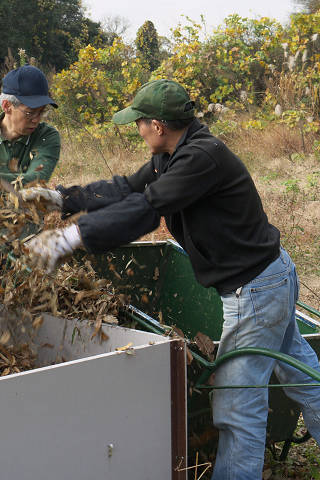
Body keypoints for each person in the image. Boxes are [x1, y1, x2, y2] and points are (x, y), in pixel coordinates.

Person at [21, 79, 320, 479]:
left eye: (140, 123)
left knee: (237, 406)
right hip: (271, 276)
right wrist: (64, 199)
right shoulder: (174, 154)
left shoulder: (200, 159)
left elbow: (147, 209)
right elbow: (128, 187)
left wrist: (71, 238)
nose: (138, 130)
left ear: (158, 126)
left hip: (255, 290)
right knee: (302, 377)